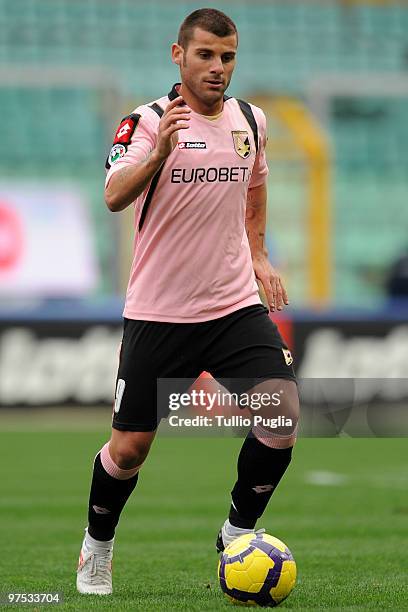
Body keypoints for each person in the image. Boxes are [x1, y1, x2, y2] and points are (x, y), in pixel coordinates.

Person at [76, 8, 299, 595]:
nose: (218, 68)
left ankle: (236, 535)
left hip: (232, 306)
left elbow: (255, 187)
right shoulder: (146, 123)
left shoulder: (251, 120)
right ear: (178, 56)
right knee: (129, 451)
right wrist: (158, 156)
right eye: (205, 55)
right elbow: (113, 198)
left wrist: (258, 255)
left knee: (281, 421)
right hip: (159, 312)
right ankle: (97, 545)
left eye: (227, 57)